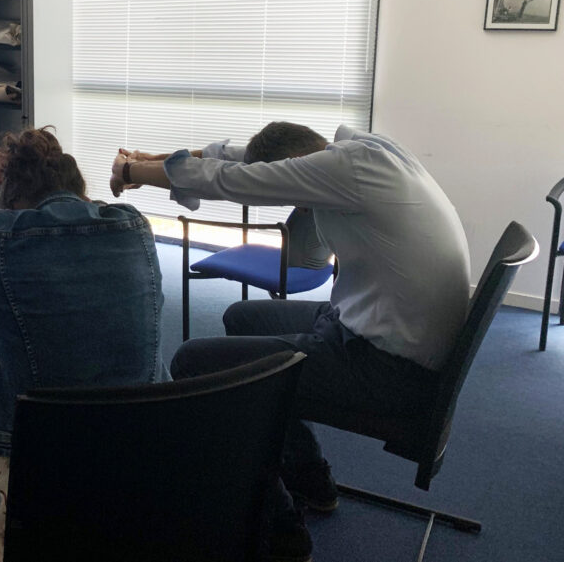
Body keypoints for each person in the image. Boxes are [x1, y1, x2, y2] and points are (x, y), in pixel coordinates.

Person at [110, 121, 470, 562]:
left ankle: (283, 533)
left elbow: (231, 179)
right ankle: (310, 477)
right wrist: (149, 158)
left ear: (301, 164)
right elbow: (235, 156)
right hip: (374, 328)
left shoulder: (346, 168)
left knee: (195, 363)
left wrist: (129, 173)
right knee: (242, 317)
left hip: (384, 365)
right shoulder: (360, 149)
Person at [0, 127, 166, 562]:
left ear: (13, 200)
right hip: (144, 431)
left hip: (48, 445)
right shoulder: (135, 226)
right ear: (78, 188)